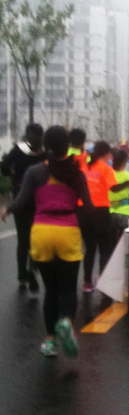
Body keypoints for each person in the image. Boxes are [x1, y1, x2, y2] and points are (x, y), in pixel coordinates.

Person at [1, 126, 92, 357]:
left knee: (51, 289)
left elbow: (21, 202)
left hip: (41, 231)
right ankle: (67, 323)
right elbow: (88, 208)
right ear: (67, 144)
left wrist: (7, 209)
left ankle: (50, 342)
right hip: (67, 231)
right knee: (68, 288)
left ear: (46, 145)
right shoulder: (76, 173)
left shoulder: (35, 172)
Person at [1, 122, 46, 291]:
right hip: (39, 199)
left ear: (27, 134)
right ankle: (32, 269)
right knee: (36, 237)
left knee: (23, 238)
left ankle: (22, 273)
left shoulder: (17, 149)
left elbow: (4, 166)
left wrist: (13, 174)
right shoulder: (44, 153)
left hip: (20, 196)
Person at [81, 140, 117, 292]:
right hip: (101, 211)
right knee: (105, 248)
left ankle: (87, 282)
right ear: (107, 153)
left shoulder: (84, 167)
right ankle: (103, 280)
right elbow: (114, 188)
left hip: (83, 210)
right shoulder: (106, 168)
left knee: (89, 249)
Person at [109, 148, 129, 242]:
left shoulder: (107, 174)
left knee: (110, 243)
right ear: (125, 161)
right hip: (124, 211)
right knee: (123, 242)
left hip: (108, 211)